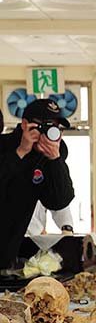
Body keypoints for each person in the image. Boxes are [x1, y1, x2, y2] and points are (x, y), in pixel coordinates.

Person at [0, 99, 74, 268]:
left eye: (55, 127)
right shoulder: (5, 146)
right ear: (25, 125)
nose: (49, 133)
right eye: (44, 126)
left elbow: (59, 201)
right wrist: (21, 152)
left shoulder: (52, 154)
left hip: (12, 251)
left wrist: (55, 160)